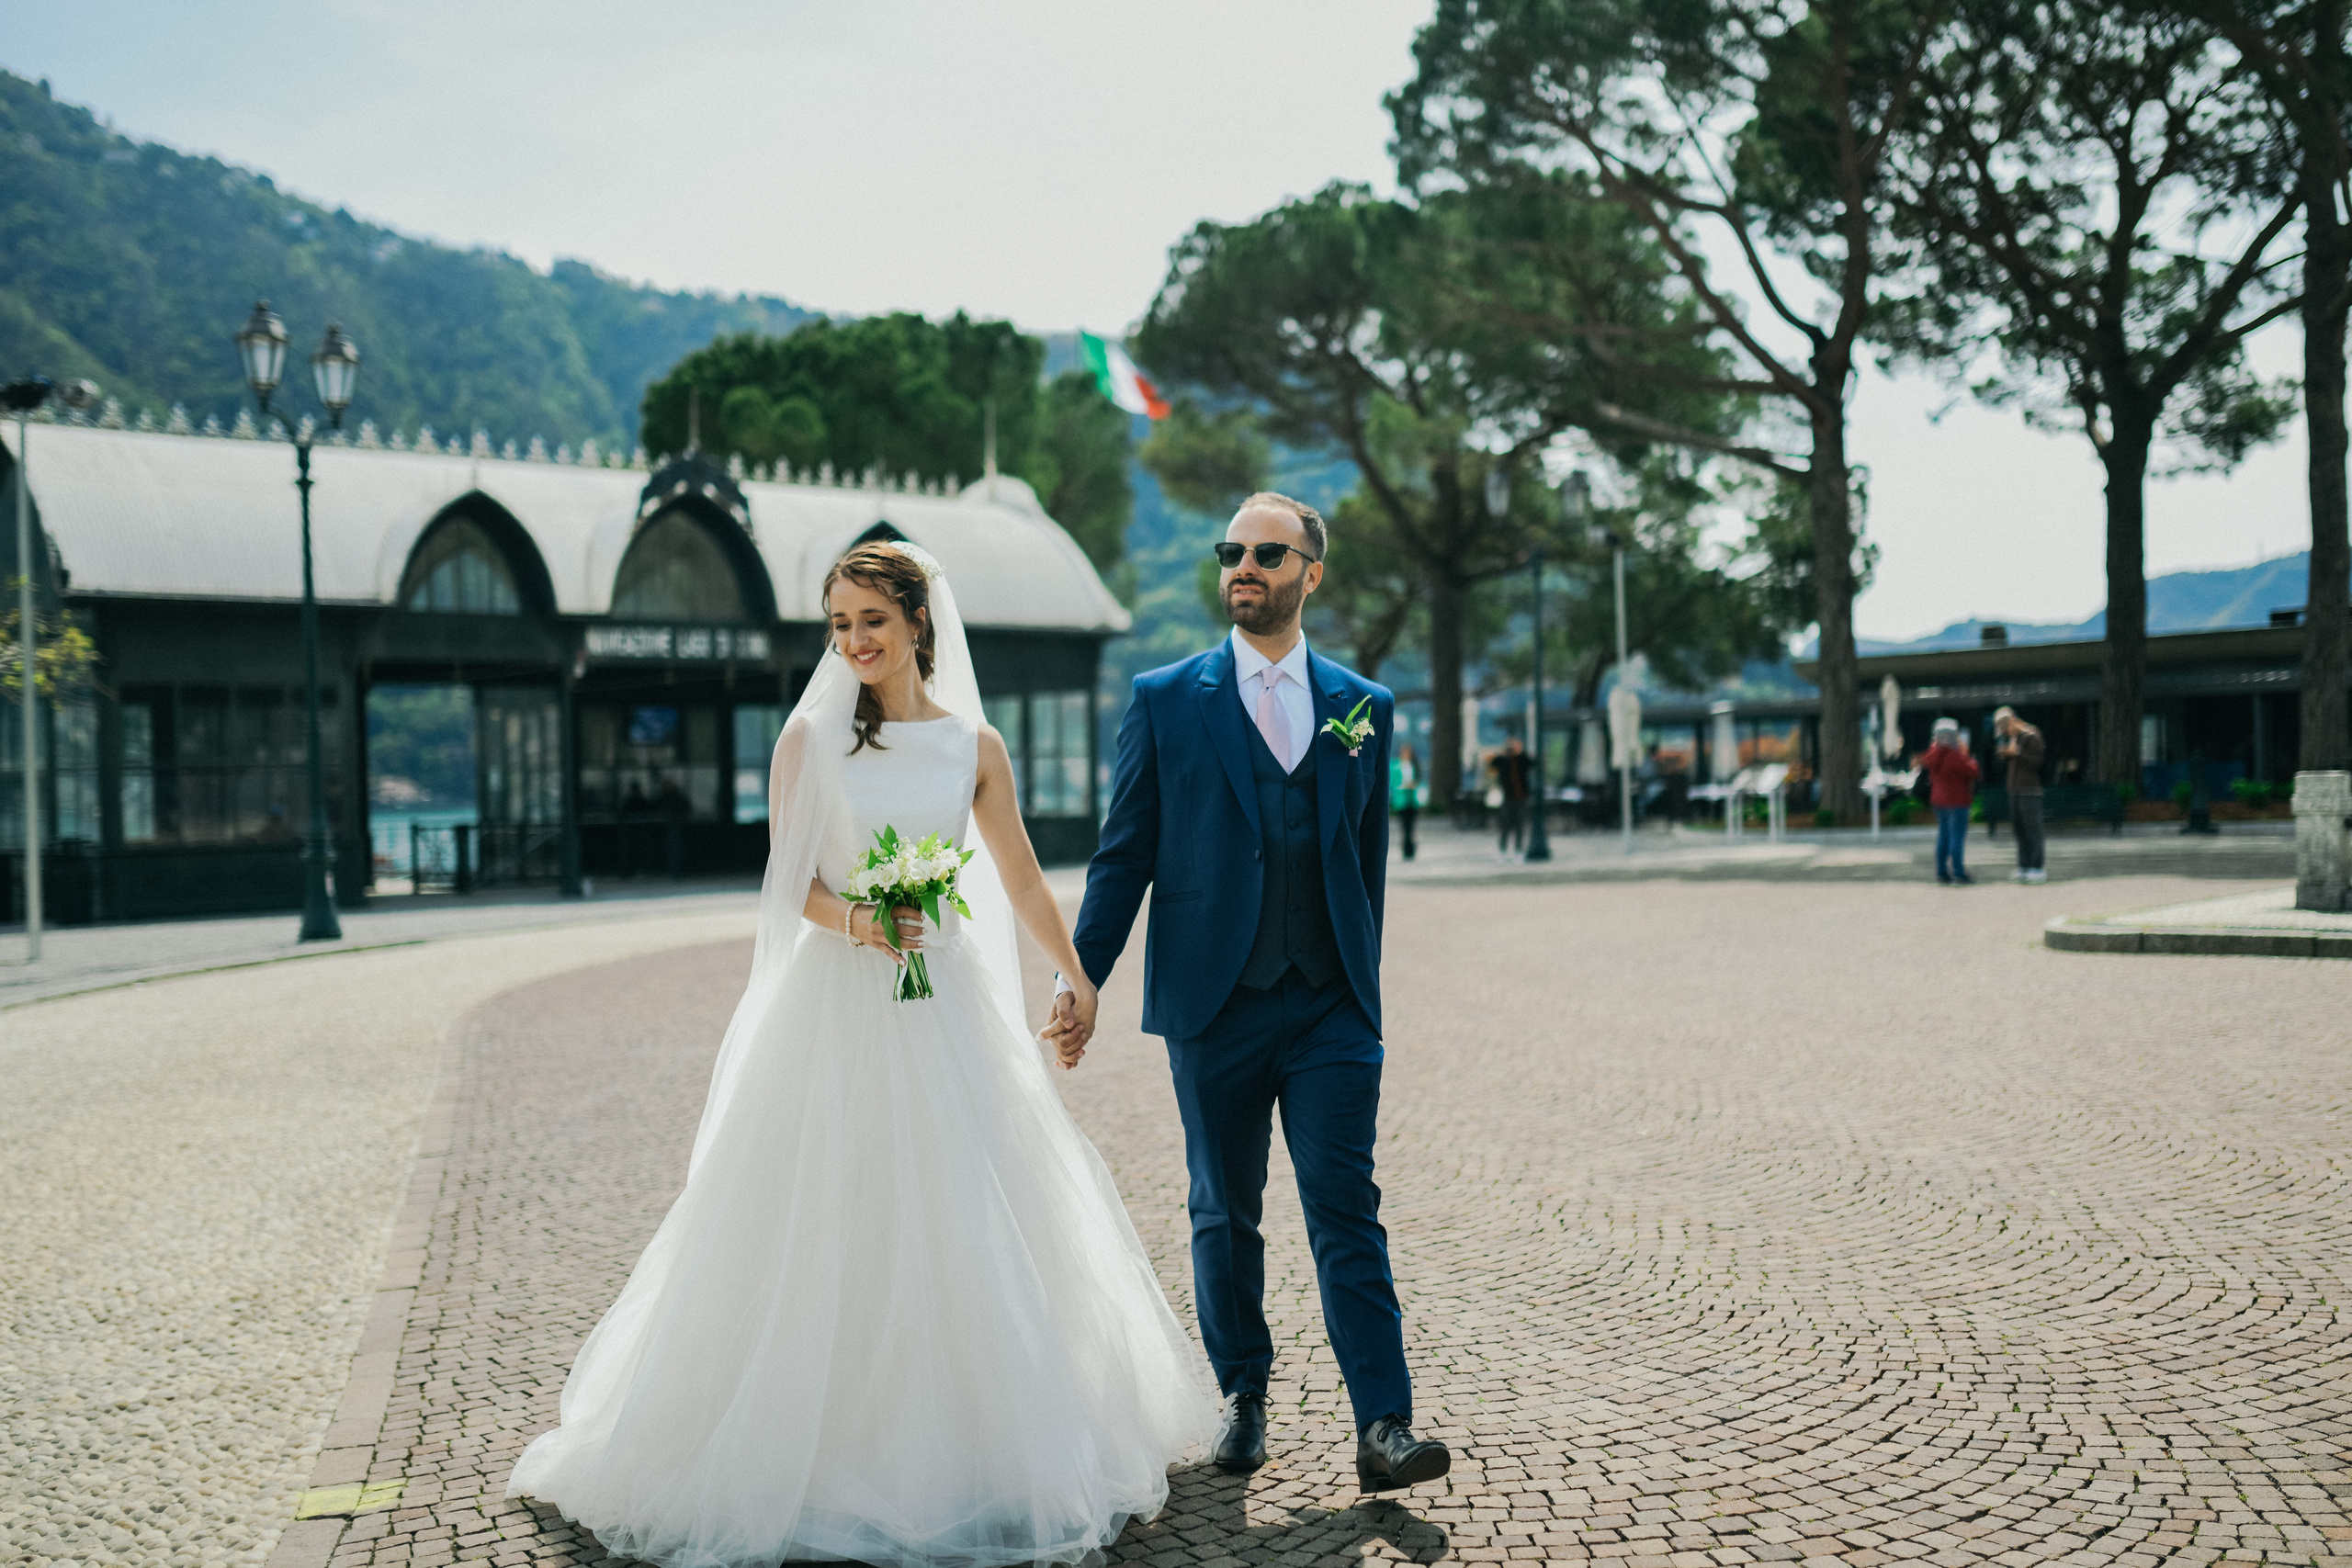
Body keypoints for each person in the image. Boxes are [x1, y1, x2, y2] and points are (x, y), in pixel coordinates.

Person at [509, 542, 1216, 1568]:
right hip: (835, 1004)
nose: (854, 642)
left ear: (918, 622)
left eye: (872, 621)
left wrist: (1076, 974)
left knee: (964, 1207)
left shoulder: (974, 745)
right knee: (822, 1207)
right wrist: (862, 924)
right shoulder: (810, 739)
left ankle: (971, 1448)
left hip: (947, 1003)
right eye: (839, 624)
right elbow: (788, 880)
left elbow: (1019, 876)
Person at [1050, 492, 1452, 1495]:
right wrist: (1081, 974)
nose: (1244, 566)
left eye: (1268, 553)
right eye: (1232, 550)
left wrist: (1357, 982)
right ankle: (1243, 1394)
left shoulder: (1364, 706)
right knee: (1223, 1209)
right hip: (1212, 1002)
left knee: (1345, 1204)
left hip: (1329, 1007)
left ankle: (1385, 1424)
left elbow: (1364, 864)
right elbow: (1123, 855)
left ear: (1311, 572)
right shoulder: (1164, 699)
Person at [1917, 718, 1981, 886]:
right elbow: (1974, 771)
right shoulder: (1955, 756)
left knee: (1943, 836)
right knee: (1956, 837)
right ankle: (1958, 872)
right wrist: (1965, 753)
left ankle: (1941, 871)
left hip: (1939, 801)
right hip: (1957, 800)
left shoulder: (1932, 754)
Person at [1994, 706, 2047, 884]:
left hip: (2030, 790)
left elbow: (2038, 761)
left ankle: (2037, 867)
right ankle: (2024, 866)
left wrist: (2017, 753)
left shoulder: (2031, 735)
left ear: (2012, 722)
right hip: (2015, 790)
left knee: (2033, 830)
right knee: (2020, 830)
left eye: (2006, 729)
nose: (2006, 733)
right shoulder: (2014, 738)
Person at [1489, 735, 1533, 859]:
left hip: (1521, 798)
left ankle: (1518, 851)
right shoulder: (1503, 761)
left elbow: (1531, 763)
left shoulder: (1522, 760)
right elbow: (1493, 763)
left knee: (1520, 826)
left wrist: (1520, 750)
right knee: (1505, 826)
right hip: (1506, 798)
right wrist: (1504, 752)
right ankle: (1503, 851)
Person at [1391, 741, 1425, 861]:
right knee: (1404, 826)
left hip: (1412, 800)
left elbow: (1418, 781)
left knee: (1411, 826)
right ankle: (1406, 849)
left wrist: (1413, 785)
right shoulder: (1396, 767)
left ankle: (1411, 849)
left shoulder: (1414, 766)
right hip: (1402, 800)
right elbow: (1393, 783)